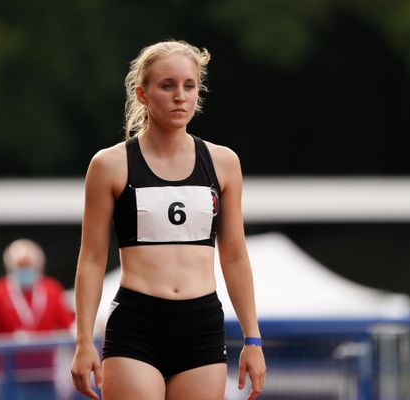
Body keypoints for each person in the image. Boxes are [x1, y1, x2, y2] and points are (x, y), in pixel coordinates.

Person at [70, 40, 266, 400]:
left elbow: (236, 255)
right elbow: (93, 258)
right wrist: (84, 342)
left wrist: (252, 339)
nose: (180, 96)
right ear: (142, 94)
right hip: (136, 324)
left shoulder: (223, 163)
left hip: (201, 325)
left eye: (189, 86)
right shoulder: (110, 165)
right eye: (167, 85)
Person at [0, 238, 76, 399]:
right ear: (10, 267)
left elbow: (70, 332)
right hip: (7, 377)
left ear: (39, 266)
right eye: (20, 267)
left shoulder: (52, 290)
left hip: (45, 376)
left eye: (28, 266)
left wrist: (76, 370)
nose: (25, 271)